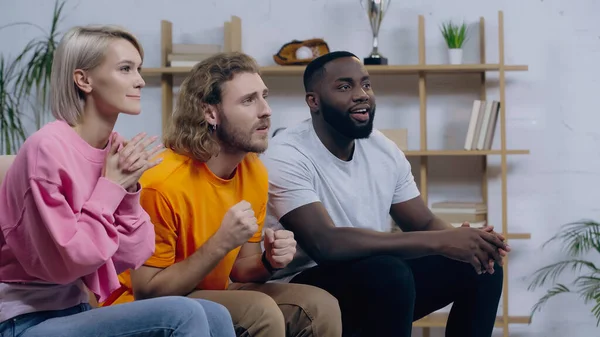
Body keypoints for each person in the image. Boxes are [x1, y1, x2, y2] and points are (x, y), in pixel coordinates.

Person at [0, 25, 235, 337]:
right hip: (23, 321)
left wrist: (128, 192)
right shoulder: (47, 149)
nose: (139, 80)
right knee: (183, 313)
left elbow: (132, 255)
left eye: (137, 69)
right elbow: (67, 263)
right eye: (126, 69)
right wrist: (111, 188)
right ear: (83, 80)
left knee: (215, 314)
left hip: (73, 311)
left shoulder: (113, 149)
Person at [261, 51, 511, 337]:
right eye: (345, 87)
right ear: (313, 101)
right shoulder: (285, 154)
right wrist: (442, 241)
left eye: (366, 84)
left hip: (378, 276)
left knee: (480, 269)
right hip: (305, 282)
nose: (361, 95)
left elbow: (424, 223)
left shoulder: (383, 148)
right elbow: (325, 243)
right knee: (388, 272)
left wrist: (469, 244)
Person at [101, 51, 342, 337]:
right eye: (248, 100)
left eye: (264, 96)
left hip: (210, 293)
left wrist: (269, 261)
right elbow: (148, 290)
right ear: (210, 113)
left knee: (320, 305)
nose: (266, 110)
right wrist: (220, 243)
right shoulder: (161, 183)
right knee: (259, 311)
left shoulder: (253, 171)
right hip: (139, 308)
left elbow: (241, 268)